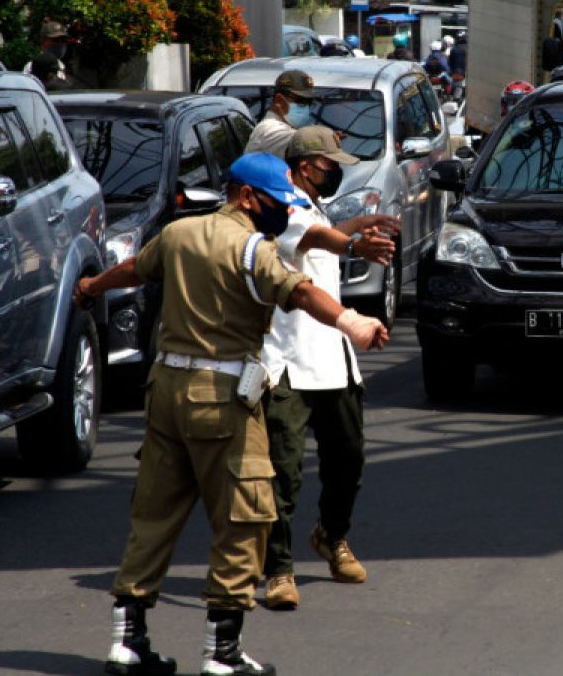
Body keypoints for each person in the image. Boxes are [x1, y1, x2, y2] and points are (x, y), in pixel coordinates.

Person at [77, 152, 390, 676]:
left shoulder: (179, 234)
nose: (281, 214)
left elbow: (136, 267)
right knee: (246, 516)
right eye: (276, 203)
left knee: (153, 517)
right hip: (221, 398)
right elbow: (302, 290)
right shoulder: (252, 249)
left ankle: (126, 642)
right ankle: (222, 654)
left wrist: (90, 287)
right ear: (247, 196)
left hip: (165, 393)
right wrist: (351, 321)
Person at [261, 127, 402, 611]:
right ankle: (278, 569)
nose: (334, 170)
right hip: (288, 362)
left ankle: (331, 535)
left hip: (332, 355)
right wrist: (356, 247)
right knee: (283, 472)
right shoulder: (281, 206)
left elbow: (325, 231)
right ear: (305, 167)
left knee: (349, 460)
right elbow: (317, 236)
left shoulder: (311, 203)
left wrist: (363, 223)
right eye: (328, 164)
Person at [245, 70, 316, 159]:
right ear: (279, 100)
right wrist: (327, 138)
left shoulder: (288, 127)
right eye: (300, 101)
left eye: (309, 103)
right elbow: (300, 141)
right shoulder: (268, 129)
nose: (306, 107)